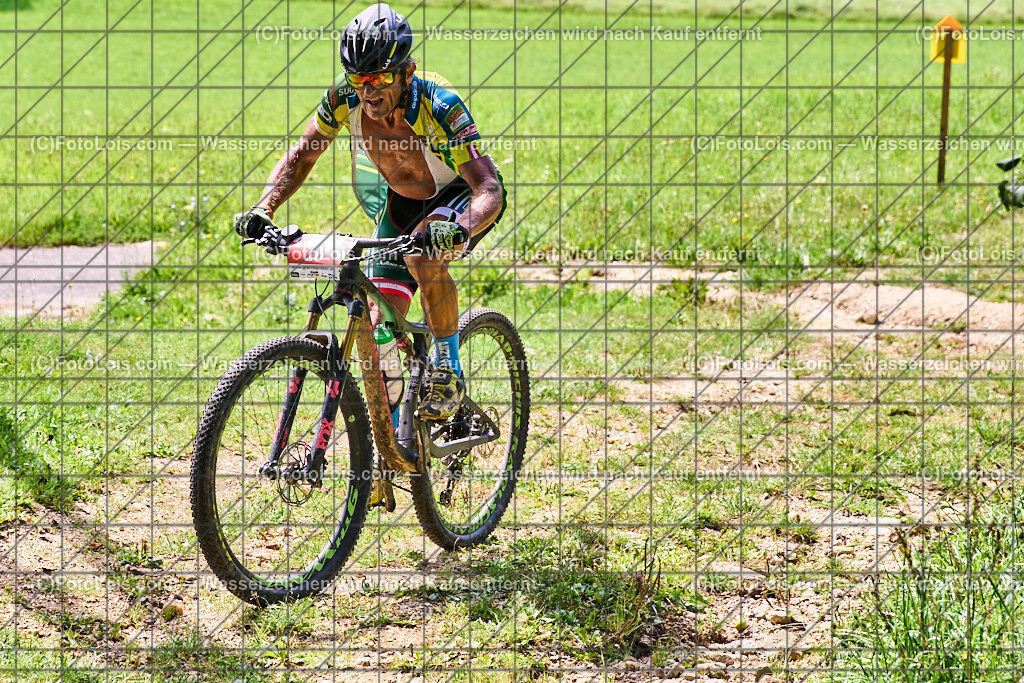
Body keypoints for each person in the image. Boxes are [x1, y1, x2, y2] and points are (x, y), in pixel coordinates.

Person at [233, 3, 506, 421]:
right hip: (402, 203)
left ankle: (448, 371)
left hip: (457, 197)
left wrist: (462, 230)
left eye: (378, 77)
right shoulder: (343, 100)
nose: (367, 90)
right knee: (376, 315)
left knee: (422, 254)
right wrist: (263, 208)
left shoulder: (440, 105)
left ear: (408, 72)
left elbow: (487, 187)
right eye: (358, 78)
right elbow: (301, 157)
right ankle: (396, 431)